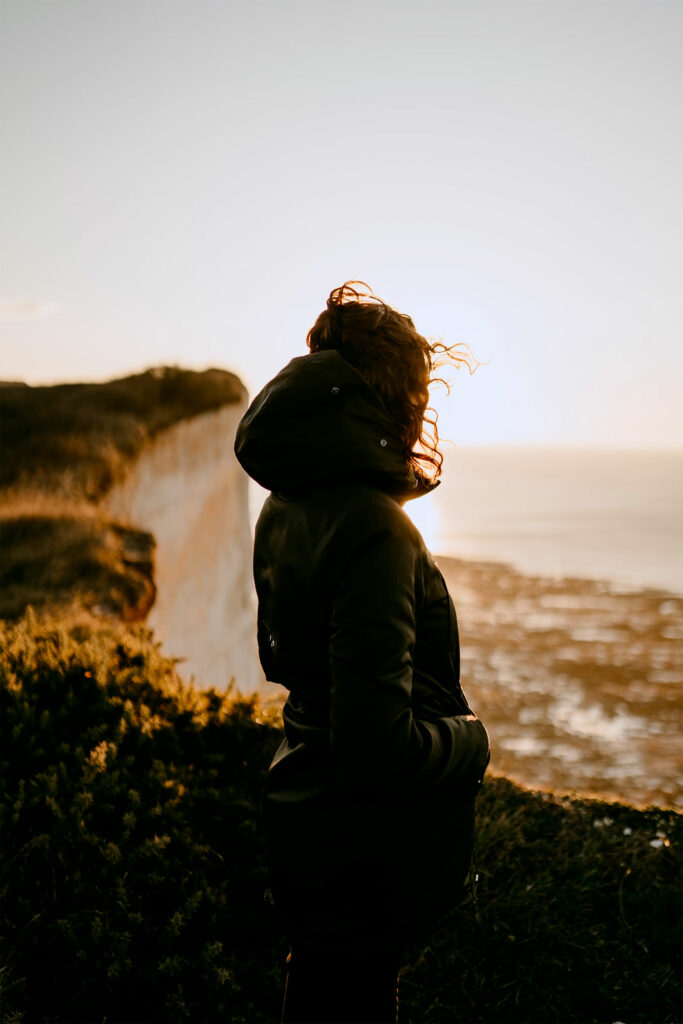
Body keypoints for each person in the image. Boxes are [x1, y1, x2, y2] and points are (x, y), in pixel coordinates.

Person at [234, 282, 489, 1024]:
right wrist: (468, 742)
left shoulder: (288, 503)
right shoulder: (374, 528)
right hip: (364, 852)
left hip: (306, 817)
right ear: (392, 394)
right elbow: (373, 746)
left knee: (314, 988)